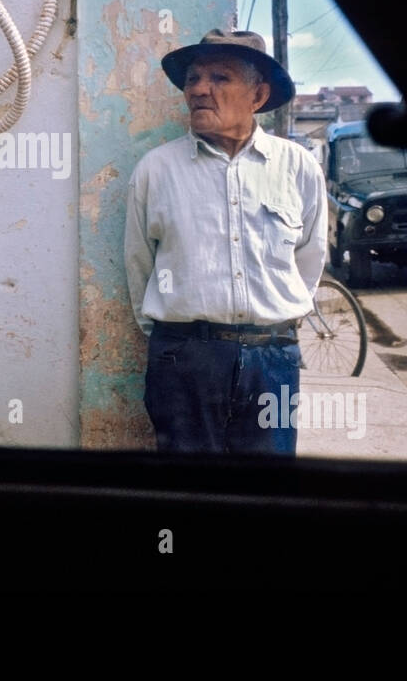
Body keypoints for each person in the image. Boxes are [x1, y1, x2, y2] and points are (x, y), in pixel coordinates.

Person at [124, 29, 327, 455]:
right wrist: (179, 340)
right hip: (184, 359)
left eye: (220, 78)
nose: (199, 89)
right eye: (193, 78)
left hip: (272, 360)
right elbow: (139, 265)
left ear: (257, 96)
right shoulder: (155, 171)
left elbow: (309, 259)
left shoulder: (298, 167)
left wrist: (278, 322)